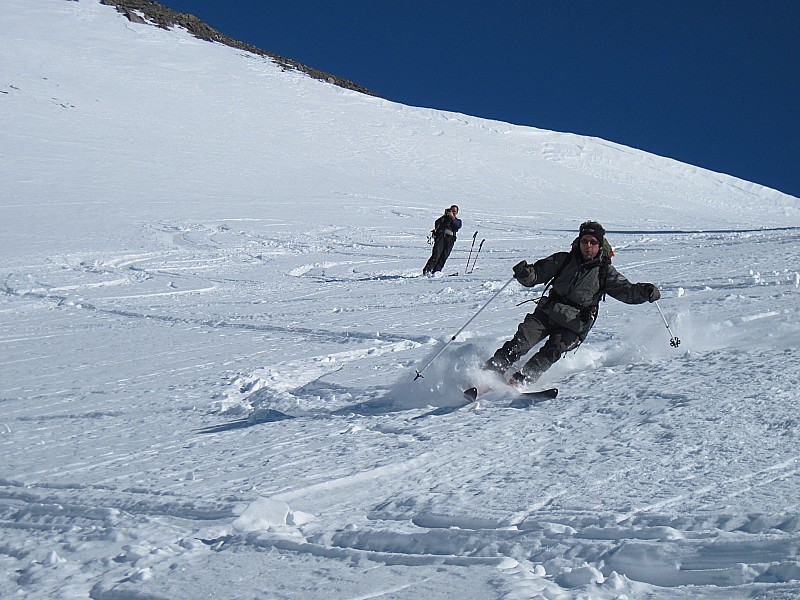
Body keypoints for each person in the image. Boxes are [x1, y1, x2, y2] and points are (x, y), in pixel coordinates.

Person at [483, 220, 661, 387]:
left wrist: (645, 292)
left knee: (551, 351)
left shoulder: (604, 272)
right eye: (584, 241)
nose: (588, 246)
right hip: (547, 313)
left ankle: (521, 380)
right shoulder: (563, 260)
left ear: (600, 245)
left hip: (574, 325)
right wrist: (525, 274)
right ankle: (489, 373)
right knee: (521, 341)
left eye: (592, 242)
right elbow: (537, 274)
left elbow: (627, 291)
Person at [423, 205, 462, 275]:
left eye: (454, 211)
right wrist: (445, 216)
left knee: (444, 256)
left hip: (450, 239)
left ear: (457, 212)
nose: (452, 212)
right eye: (451, 210)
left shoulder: (458, 220)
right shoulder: (443, 219)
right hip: (441, 237)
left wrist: (452, 218)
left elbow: (457, 226)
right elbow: (437, 223)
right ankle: (427, 270)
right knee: (436, 254)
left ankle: (436, 271)